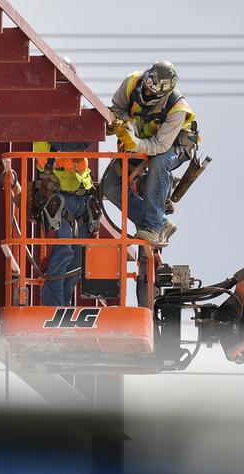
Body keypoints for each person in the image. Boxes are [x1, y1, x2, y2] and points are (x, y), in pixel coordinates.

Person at [104, 61, 198, 245]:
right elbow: (117, 107)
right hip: (140, 141)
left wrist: (134, 142)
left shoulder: (177, 108)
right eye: (146, 88)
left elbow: (160, 146)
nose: (146, 93)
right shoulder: (131, 82)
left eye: (151, 93)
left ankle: (154, 227)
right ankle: (159, 223)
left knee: (160, 162)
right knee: (110, 187)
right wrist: (124, 125)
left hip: (173, 147)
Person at [32, 141, 99, 306]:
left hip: (83, 199)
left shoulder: (78, 132)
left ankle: (64, 304)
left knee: (78, 258)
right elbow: (52, 151)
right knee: (63, 250)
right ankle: (53, 305)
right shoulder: (45, 135)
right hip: (59, 197)